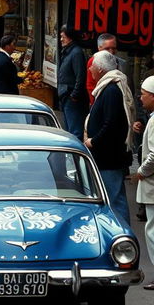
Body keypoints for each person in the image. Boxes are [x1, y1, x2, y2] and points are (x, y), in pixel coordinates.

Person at [85, 50, 135, 225]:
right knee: (114, 197)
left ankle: (121, 234)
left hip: (109, 157)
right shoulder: (108, 87)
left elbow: (111, 124)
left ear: (99, 69)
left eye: (92, 65)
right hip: (107, 156)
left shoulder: (111, 90)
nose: (90, 68)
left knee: (114, 199)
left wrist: (94, 141)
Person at [136, 76, 154, 289]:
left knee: (152, 230)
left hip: (152, 185)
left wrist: (141, 172)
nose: (141, 98)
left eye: (143, 94)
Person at [57, 26, 89, 140]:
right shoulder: (68, 51)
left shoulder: (76, 53)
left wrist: (74, 95)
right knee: (69, 130)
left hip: (71, 97)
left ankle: (75, 156)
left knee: (75, 131)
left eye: (63, 37)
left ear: (70, 38)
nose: (61, 39)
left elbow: (80, 76)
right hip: (65, 95)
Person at [85, 33, 126, 104]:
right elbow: (91, 86)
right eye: (107, 49)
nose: (111, 52)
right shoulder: (94, 62)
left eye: (113, 48)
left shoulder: (120, 62)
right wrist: (95, 104)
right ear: (99, 48)